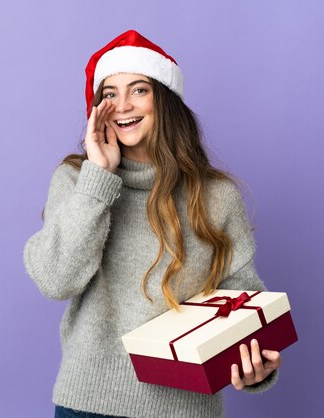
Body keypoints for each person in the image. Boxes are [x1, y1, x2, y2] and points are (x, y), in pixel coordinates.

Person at [23, 30, 282, 418]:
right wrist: (100, 178)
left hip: (186, 409)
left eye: (139, 89)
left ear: (164, 99)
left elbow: (245, 310)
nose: (123, 104)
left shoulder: (216, 196)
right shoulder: (77, 181)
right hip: (88, 406)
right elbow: (56, 280)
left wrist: (255, 364)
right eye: (109, 93)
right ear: (98, 109)